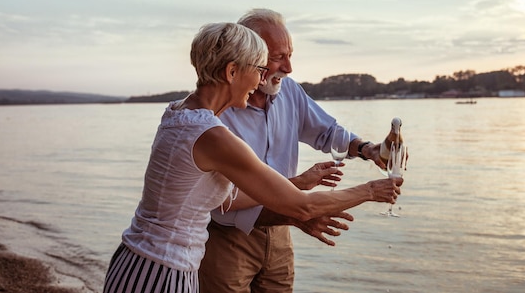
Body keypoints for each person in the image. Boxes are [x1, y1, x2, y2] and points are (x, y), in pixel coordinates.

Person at [103, 22, 402, 293]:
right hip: (161, 270)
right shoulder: (213, 135)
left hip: (143, 259)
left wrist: (359, 154)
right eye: (259, 69)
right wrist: (372, 190)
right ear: (232, 72)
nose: (262, 79)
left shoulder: (179, 113)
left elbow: (225, 197)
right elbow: (303, 207)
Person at [198, 10, 390, 293]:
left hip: (280, 237)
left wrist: (368, 149)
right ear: (245, 55)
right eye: (277, 57)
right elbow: (222, 201)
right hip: (228, 240)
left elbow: (328, 132)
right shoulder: (215, 114)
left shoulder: (290, 92)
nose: (288, 68)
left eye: (290, 55)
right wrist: (366, 192)